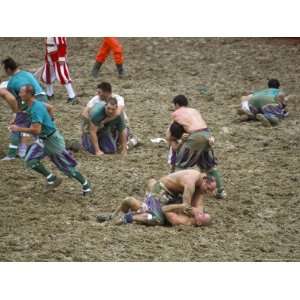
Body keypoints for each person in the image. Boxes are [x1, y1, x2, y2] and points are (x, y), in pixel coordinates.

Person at [9, 85, 91, 196]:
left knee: (67, 168)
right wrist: (50, 120)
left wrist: (18, 128)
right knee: (30, 161)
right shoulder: (33, 103)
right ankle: (52, 178)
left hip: (52, 141)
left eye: (21, 92)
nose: (19, 94)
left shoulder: (36, 108)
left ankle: (86, 185)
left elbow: (36, 130)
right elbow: (50, 107)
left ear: (29, 94)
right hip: (43, 139)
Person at [96, 169, 215, 226]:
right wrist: (189, 210)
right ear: (204, 180)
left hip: (168, 195)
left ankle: (114, 215)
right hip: (162, 192)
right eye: (209, 189)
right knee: (157, 218)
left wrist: (195, 211)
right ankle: (126, 218)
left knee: (148, 208)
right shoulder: (191, 181)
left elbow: (197, 206)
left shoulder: (199, 186)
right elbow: (186, 207)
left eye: (212, 190)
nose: (209, 193)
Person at [166, 95, 226, 199]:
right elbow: (202, 125)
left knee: (181, 165)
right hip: (207, 134)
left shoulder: (176, 113)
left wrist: (171, 139)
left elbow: (169, 132)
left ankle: (177, 193)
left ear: (176, 104)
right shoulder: (194, 111)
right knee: (209, 166)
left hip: (194, 137)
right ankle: (221, 191)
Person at [81, 82, 138, 149]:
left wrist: (103, 122)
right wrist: (92, 123)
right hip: (102, 127)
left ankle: (131, 140)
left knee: (120, 147)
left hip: (117, 125)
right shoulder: (96, 99)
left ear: (106, 92)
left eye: (99, 92)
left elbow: (117, 113)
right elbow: (84, 113)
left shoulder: (118, 99)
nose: (97, 94)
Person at [38, 37, 77, 104]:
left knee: (62, 75)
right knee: (48, 75)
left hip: (57, 57)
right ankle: (49, 94)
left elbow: (62, 44)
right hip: (50, 56)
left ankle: (72, 96)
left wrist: (61, 57)